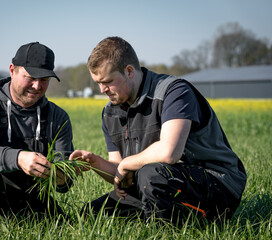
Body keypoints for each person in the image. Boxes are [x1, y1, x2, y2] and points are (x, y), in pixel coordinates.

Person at [70, 36, 246, 224]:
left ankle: (164, 231)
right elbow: (121, 172)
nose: (102, 89)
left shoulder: (174, 91)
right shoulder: (110, 113)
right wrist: (95, 162)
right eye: (98, 82)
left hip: (216, 183)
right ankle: (153, 220)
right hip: (156, 184)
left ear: (129, 71)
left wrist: (127, 163)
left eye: (108, 81)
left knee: (151, 175)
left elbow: (170, 152)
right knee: (90, 215)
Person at [0, 42, 74, 223]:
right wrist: (19, 158)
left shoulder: (57, 117)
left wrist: (62, 176)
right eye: (30, 77)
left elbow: (64, 182)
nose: (37, 86)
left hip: (31, 197)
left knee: (68, 225)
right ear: (12, 70)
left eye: (44, 80)